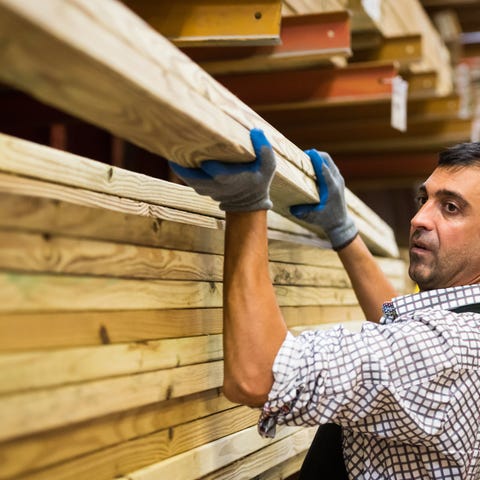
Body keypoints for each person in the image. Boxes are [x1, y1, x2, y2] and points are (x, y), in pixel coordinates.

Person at [169, 129, 480, 479]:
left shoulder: (445, 349)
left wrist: (245, 205)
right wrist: (343, 232)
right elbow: (401, 330)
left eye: (450, 208)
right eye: (424, 199)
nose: (419, 218)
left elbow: (258, 376)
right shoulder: (461, 329)